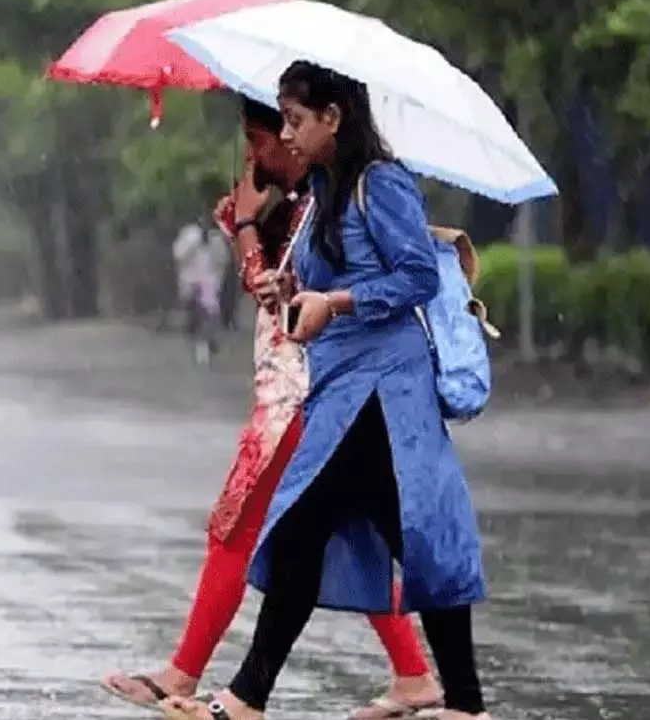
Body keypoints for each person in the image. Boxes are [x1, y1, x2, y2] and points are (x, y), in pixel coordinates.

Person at [160, 64, 491, 720]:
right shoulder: (323, 193)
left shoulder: (380, 183)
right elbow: (317, 281)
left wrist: (337, 302)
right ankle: (464, 703)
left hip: (382, 397)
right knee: (401, 537)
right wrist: (292, 294)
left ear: (334, 118)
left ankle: (246, 698)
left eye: (297, 120)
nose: (288, 133)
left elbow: (417, 278)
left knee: (304, 532)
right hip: (342, 391)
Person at [172, 213, 229, 364]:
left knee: (209, 313)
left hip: (210, 282)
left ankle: (209, 339)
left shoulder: (216, 239)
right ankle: (195, 335)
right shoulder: (189, 235)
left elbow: (222, 260)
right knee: (194, 313)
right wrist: (194, 244)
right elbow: (178, 254)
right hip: (191, 280)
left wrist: (219, 279)